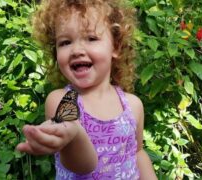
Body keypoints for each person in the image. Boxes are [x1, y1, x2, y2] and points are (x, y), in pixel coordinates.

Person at [16, 0, 157, 179]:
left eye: (91, 38)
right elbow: (83, 166)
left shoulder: (133, 105)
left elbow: (137, 153)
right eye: (65, 42)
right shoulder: (62, 100)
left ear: (116, 47)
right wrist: (73, 135)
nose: (76, 50)